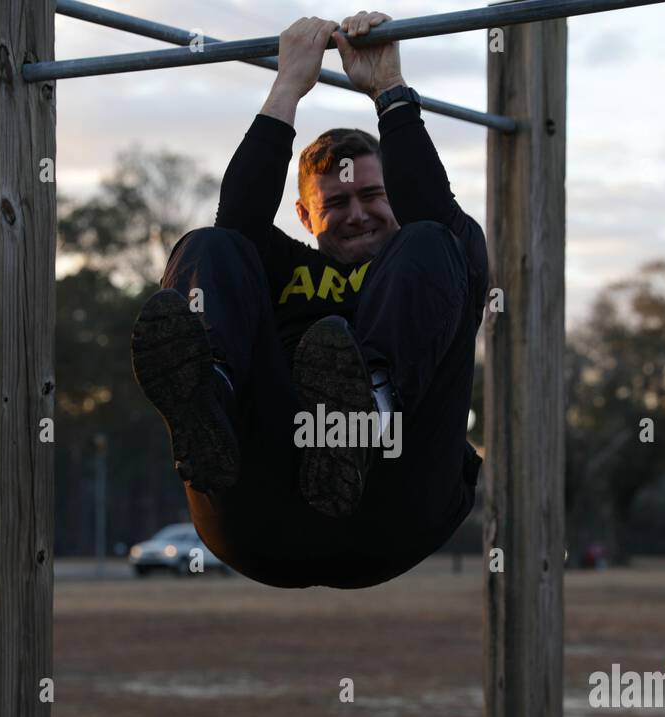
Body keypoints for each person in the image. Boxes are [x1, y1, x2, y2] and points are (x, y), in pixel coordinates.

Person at [131, 11, 487, 590]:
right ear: (304, 215)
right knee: (212, 245)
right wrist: (287, 85)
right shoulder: (280, 265)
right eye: (336, 201)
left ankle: (367, 411)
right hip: (259, 508)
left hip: (394, 503)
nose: (358, 212)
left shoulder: (431, 262)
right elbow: (238, 219)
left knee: (435, 241)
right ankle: (208, 404)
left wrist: (389, 91)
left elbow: (431, 218)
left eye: (372, 194)